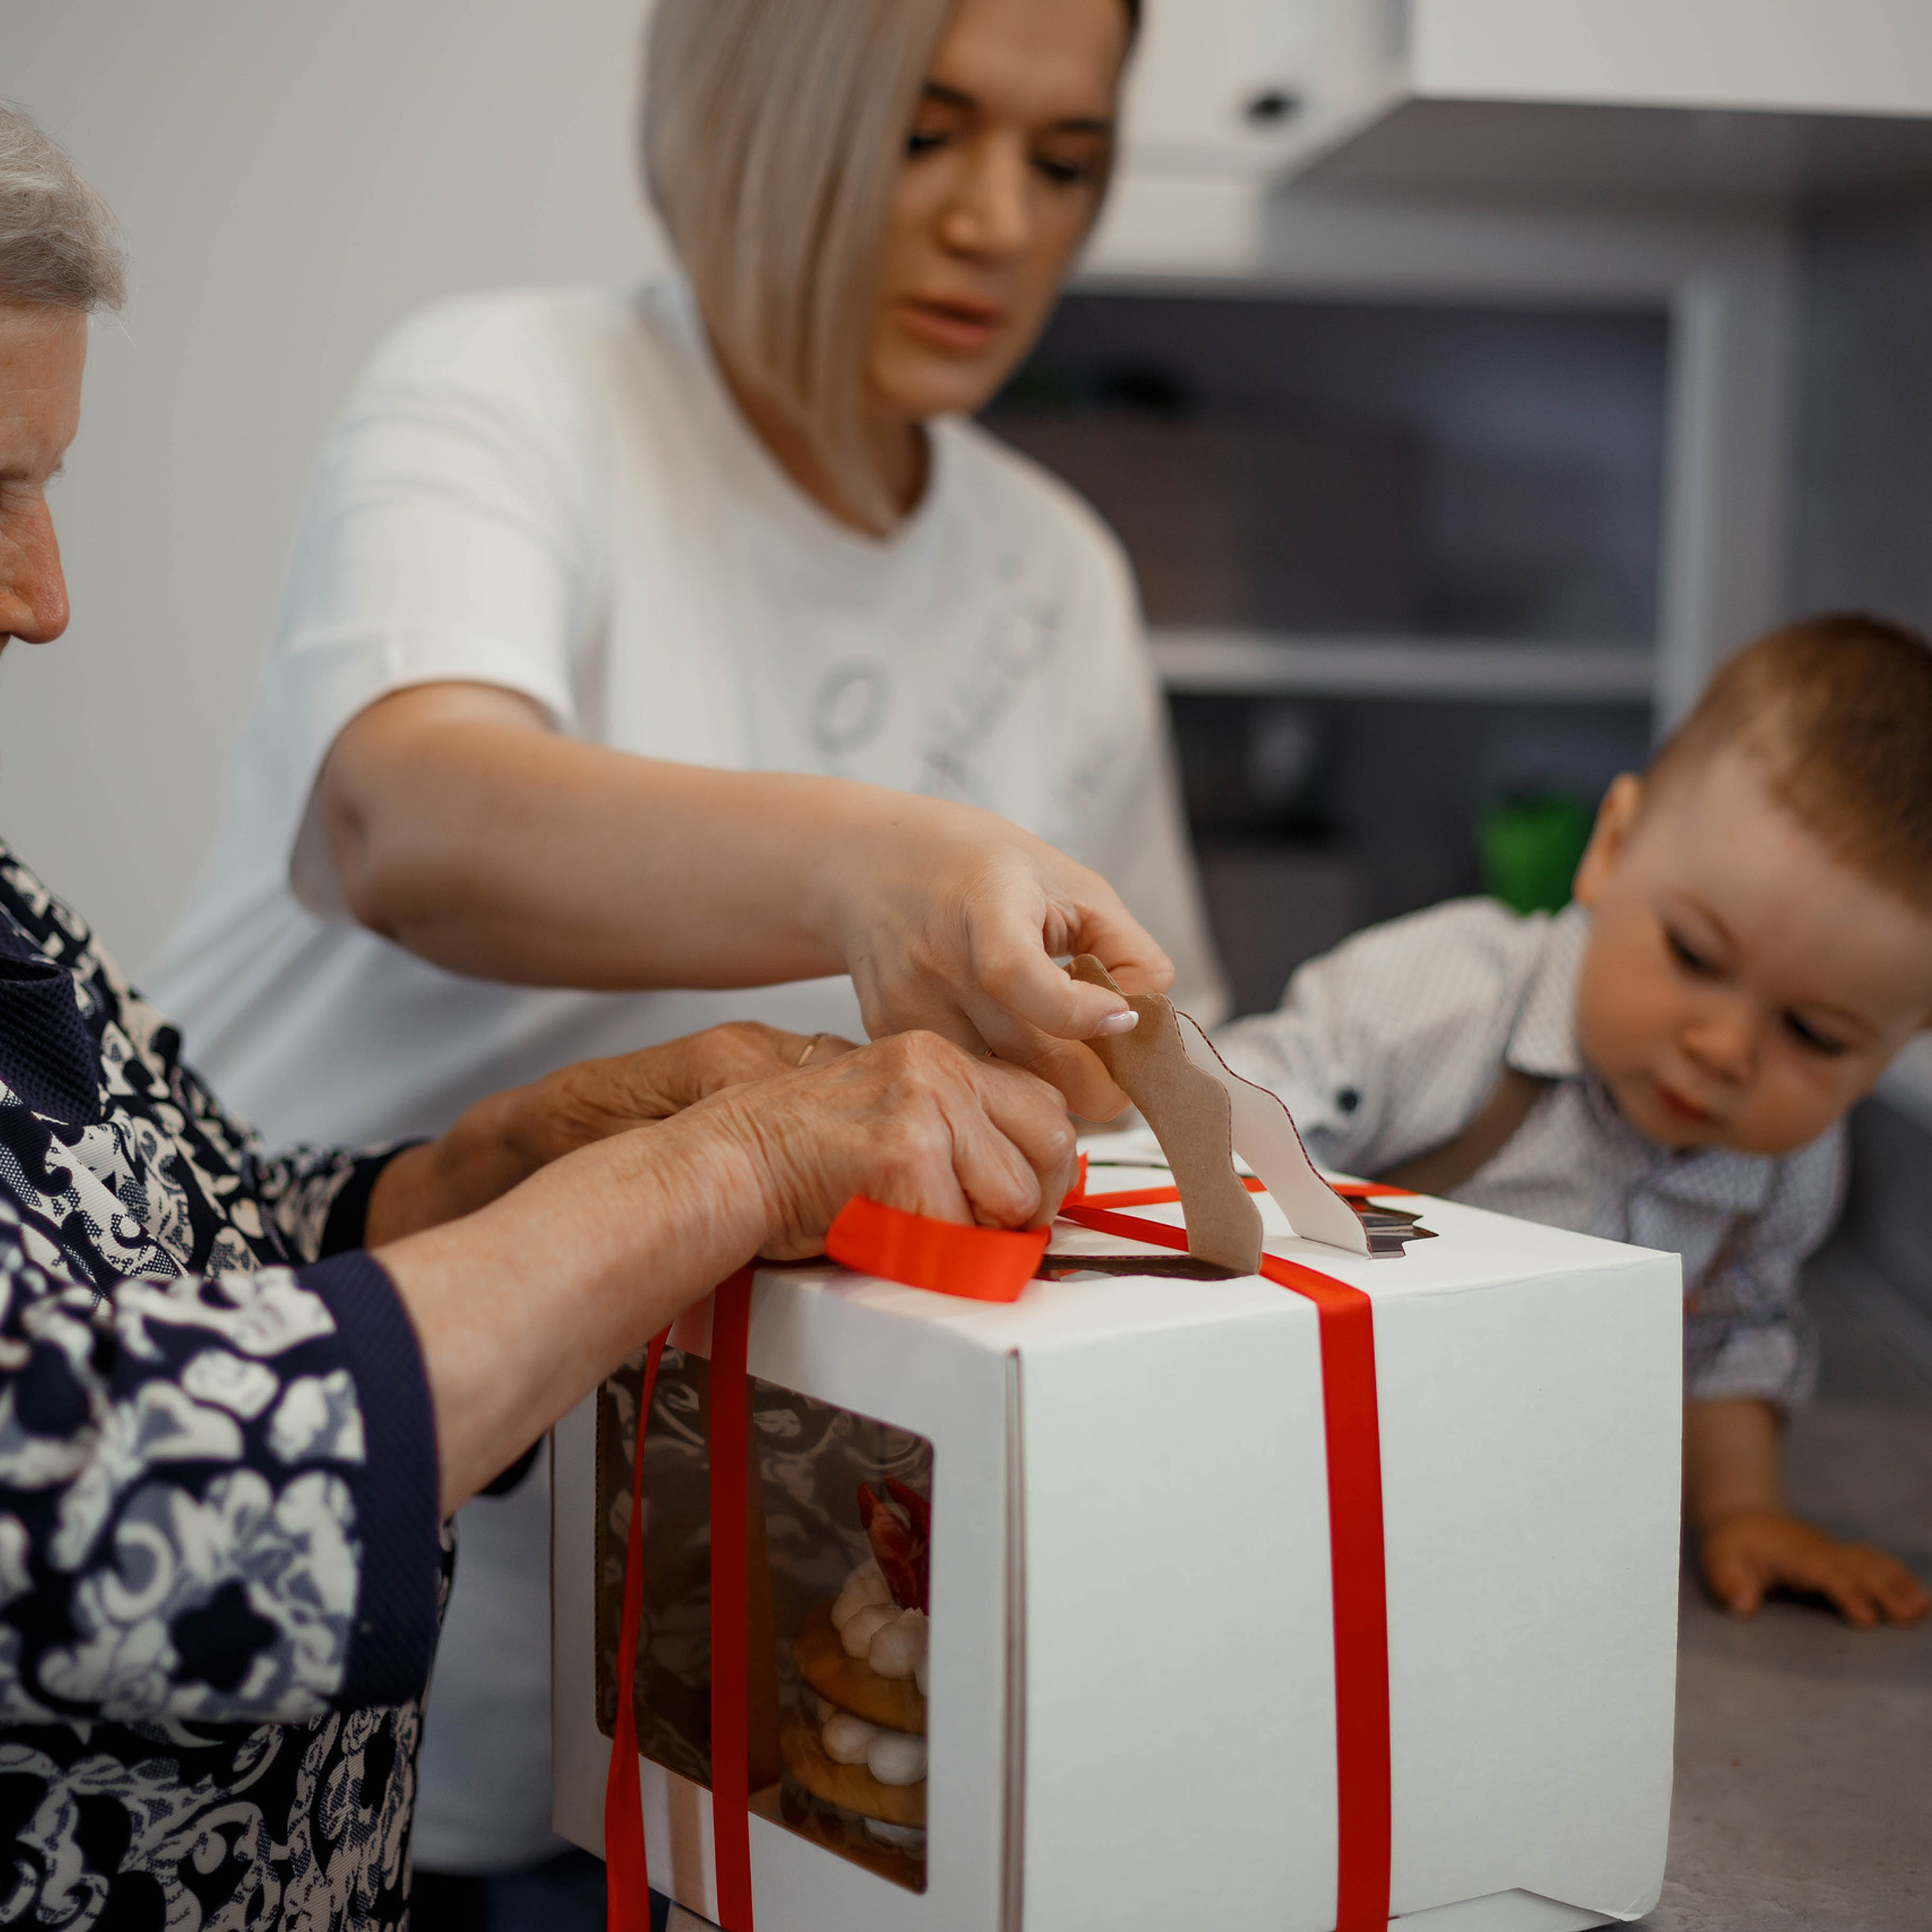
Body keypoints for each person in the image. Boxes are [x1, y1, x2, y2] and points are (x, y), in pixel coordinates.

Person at [0, 101, 1171, 1926]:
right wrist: (736, 1152)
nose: (50, 600)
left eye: (1061, 154)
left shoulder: (20, 934)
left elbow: (206, 1251)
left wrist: (505, 1155)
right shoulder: (509, 390)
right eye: (922, 123)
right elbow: (98, 1467)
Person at [1219, 614, 1932, 1631]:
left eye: (1814, 1034)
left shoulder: (1792, 1165)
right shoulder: (1453, 998)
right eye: (1694, 954)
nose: (1726, 1046)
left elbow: (1734, 1334)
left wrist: (1744, 1509)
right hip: (1296, 1457)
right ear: (1610, 849)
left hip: (1520, 1536)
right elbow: (1237, 1109)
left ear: (1905, 1038)